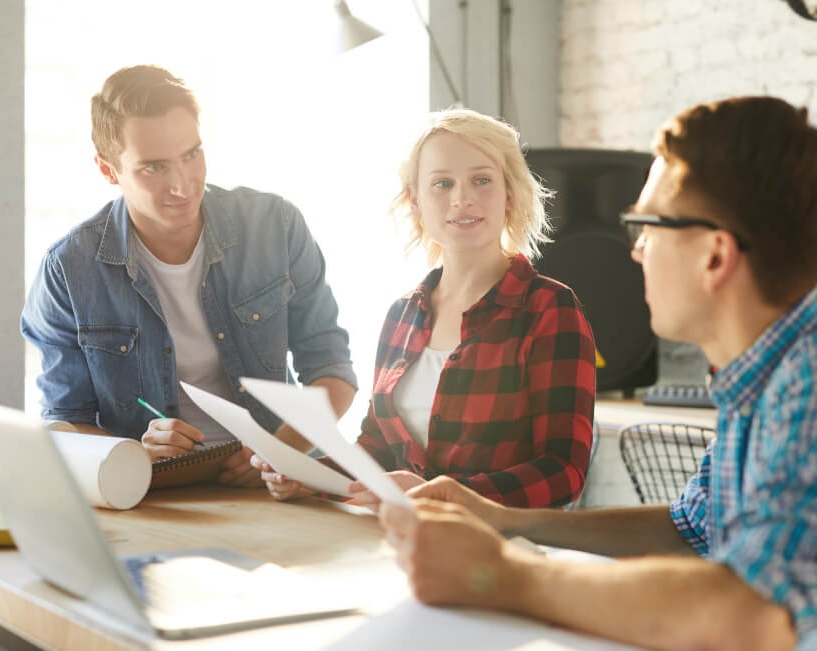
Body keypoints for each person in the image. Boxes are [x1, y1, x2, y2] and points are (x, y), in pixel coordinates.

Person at [378, 95, 817, 649]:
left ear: (714, 257)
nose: (636, 252)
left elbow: (753, 614)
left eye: (646, 225)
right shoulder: (760, 380)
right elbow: (688, 532)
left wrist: (500, 573)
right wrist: (501, 520)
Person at [21, 65, 357, 485]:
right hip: (153, 494)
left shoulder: (276, 226)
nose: (182, 184)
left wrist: (278, 453)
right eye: (153, 168)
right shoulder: (69, 269)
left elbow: (333, 369)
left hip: (278, 486)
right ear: (108, 170)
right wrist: (133, 453)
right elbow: (65, 423)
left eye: (191, 154)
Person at [256, 109, 597, 508]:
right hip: (397, 540)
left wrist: (438, 494)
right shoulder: (402, 315)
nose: (462, 198)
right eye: (442, 184)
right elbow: (376, 448)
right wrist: (306, 477)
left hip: (501, 548)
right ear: (415, 201)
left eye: (482, 180)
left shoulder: (549, 309)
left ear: (510, 193)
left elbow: (562, 473)